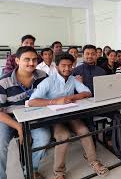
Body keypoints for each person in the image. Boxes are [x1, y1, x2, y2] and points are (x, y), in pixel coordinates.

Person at [28, 53, 109, 178]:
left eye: (70, 66)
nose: (67, 69)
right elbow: (32, 102)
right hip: (54, 117)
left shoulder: (72, 79)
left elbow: (87, 92)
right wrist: (54, 101)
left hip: (70, 114)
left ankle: (94, 161)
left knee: (84, 130)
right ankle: (59, 172)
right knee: (63, 136)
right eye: (63, 66)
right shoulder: (48, 81)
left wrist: (71, 97)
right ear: (56, 66)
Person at [0, 46, 51, 179]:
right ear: (17, 61)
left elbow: (51, 94)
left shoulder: (43, 76)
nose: (31, 63)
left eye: (34, 59)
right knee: (0, 143)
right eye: (26, 59)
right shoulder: (4, 82)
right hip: (8, 118)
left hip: (33, 115)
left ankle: (30, 169)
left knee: (44, 137)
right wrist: (18, 127)